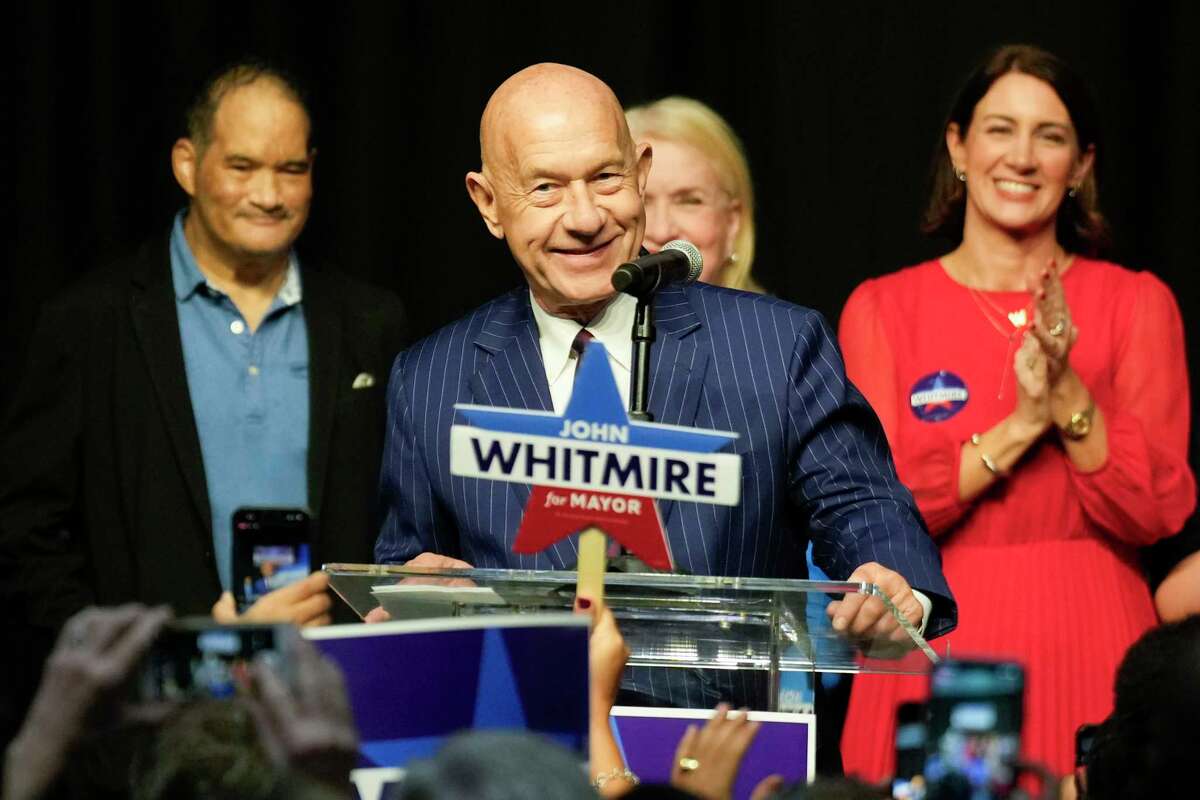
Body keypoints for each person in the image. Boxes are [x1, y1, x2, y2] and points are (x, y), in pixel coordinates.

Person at [375, 63, 956, 711]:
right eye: (545, 189)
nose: (585, 217)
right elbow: (408, 571)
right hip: (524, 753)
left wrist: (893, 580)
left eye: (605, 177)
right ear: (488, 203)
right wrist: (411, 594)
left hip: (732, 751)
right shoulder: (431, 379)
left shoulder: (775, 346)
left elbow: (863, 507)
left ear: (641, 172)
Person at [0, 63, 407, 742]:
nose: (269, 195)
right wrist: (144, 663)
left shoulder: (370, 323)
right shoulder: (88, 324)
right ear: (188, 165)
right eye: (243, 166)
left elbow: (399, 518)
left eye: (291, 169)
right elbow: (28, 533)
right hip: (144, 728)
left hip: (326, 714)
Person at [837, 45, 1195, 780]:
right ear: (958, 146)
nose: (1023, 157)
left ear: (1083, 166)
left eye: (1052, 136)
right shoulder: (882, 308)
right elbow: (876, 507)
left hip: (1096, 638)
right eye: (1000, 129)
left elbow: (1156, 508)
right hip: (934, 633)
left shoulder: (1137, 303)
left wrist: (1068, 398)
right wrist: (1025, 422)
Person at [625, 97, 763, 291]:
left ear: (733, 222)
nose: (661, 231)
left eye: (689, 202)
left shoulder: (780, 322)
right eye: (642, 200)